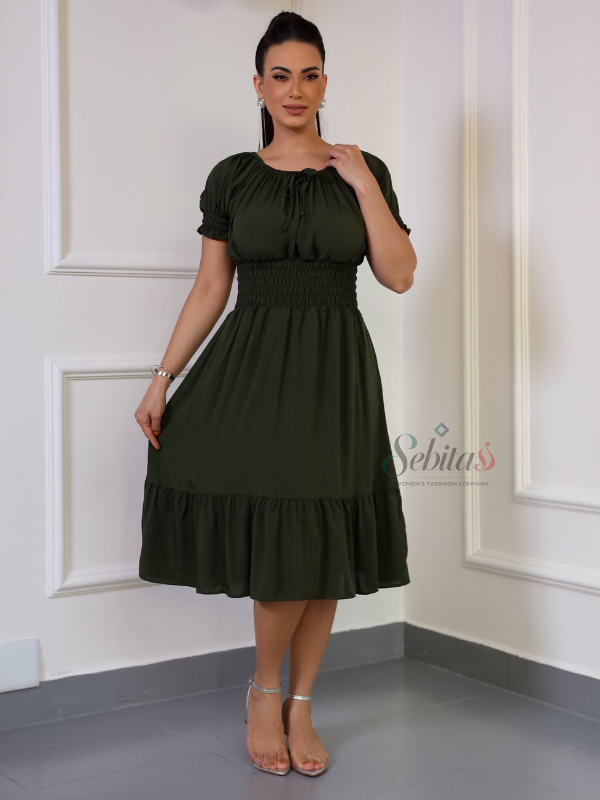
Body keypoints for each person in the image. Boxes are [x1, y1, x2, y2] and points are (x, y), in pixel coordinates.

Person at [134, 10, 416, 779]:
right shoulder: (232, 176)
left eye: (310, 74)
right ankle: (265, 690)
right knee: (286, 543)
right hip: (256, 369)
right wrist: (163, 378)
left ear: (326, 83)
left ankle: (301, 703)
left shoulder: (365, 169)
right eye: (281, 75)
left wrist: (363, 184)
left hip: (336, 372)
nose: (296, 89)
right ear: (258, 85)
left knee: (323, 535)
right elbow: (210, 288)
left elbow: (398, 274)